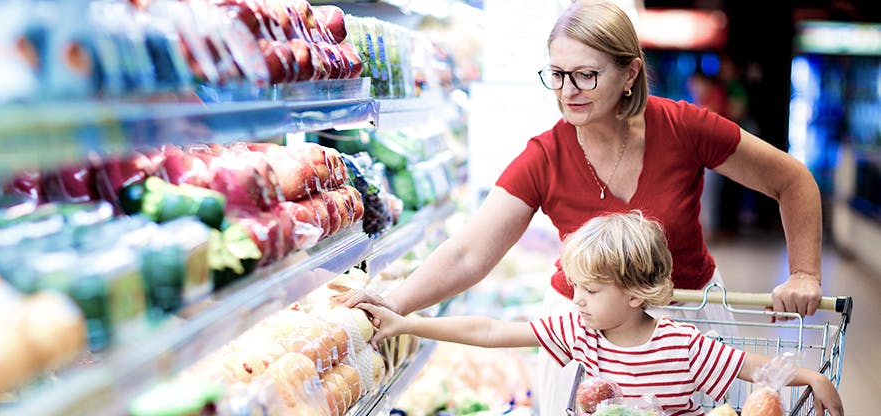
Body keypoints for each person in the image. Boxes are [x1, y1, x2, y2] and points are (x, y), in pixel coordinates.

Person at [336, 0, 824, 411]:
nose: (568, 91)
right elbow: (468, 253)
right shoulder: (546, 156)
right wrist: (395, 303)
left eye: (586, 75)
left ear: (630, 73)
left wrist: (804, 273)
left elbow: (792, 179)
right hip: (588, 334)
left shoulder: (683, 127)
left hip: (689, 325)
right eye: (558, 74)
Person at [357, 212, 843, 416]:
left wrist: (810, 377)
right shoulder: (580, 332)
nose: (579, 300)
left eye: (590, 289)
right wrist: (408, 320)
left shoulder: (681, 344)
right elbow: (490, 330)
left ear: (636, 294)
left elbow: (750, 366)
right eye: (577, 288)